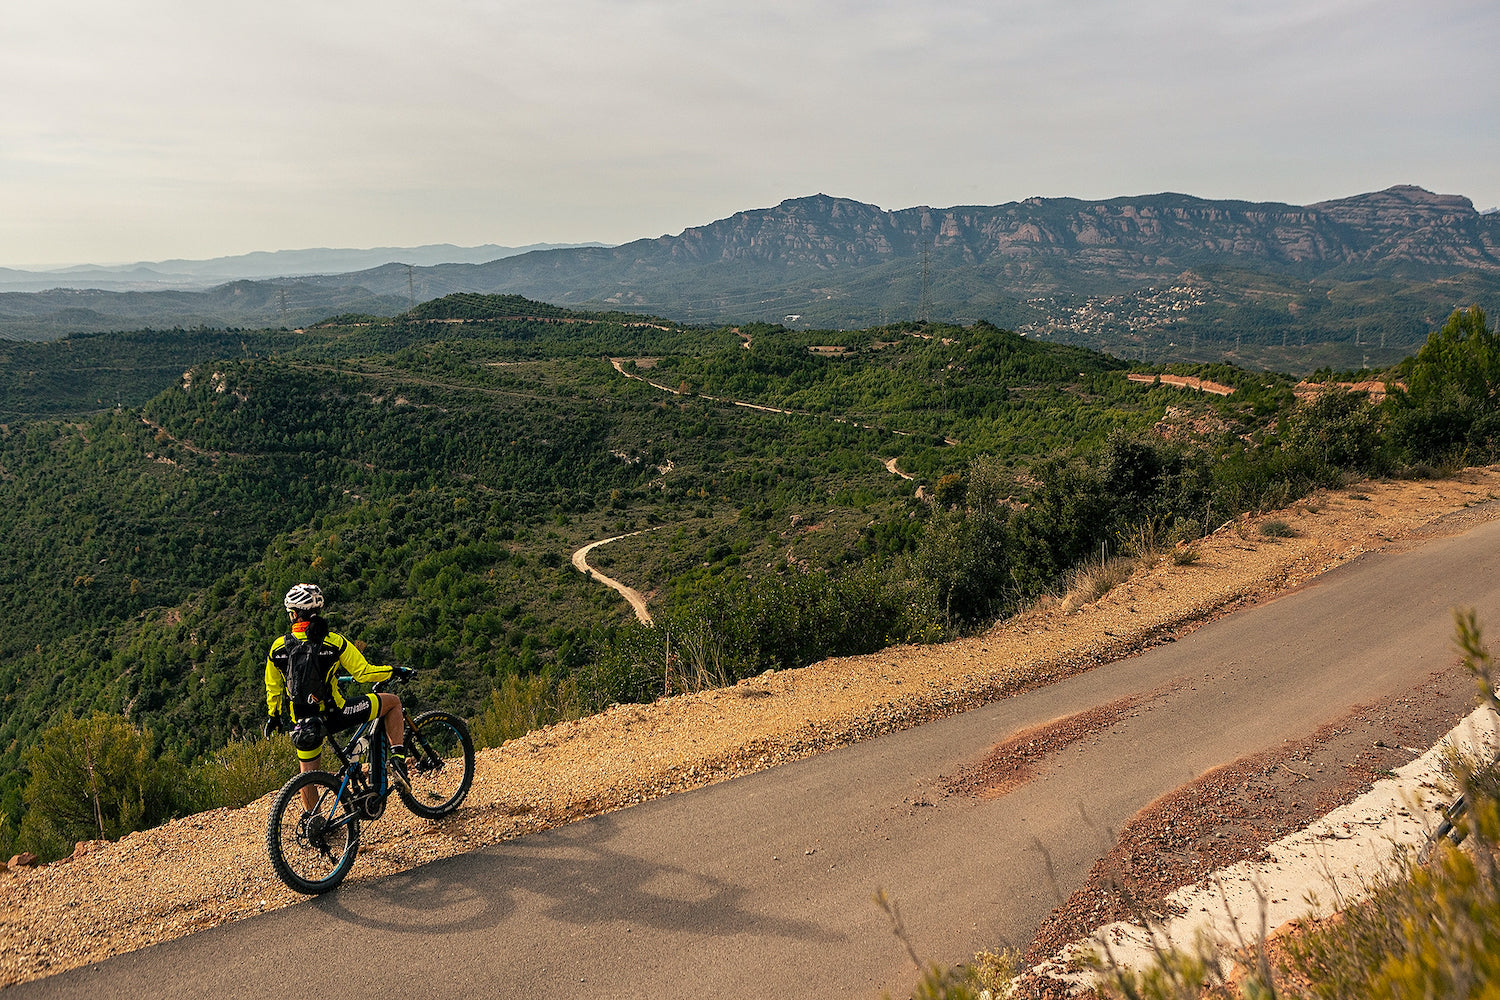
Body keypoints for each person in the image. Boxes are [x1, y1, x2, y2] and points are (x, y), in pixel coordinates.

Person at [265, 583, 413, 810]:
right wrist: (394, 670)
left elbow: (273, 688)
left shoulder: (277, 648)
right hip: (336, 713)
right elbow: (364, 673)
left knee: (308, 775)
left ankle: (315, 824)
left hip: (304, 722)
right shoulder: (333, 642)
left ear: (294, 614)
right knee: (392, 702)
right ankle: (398, 760)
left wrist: (273, 716)